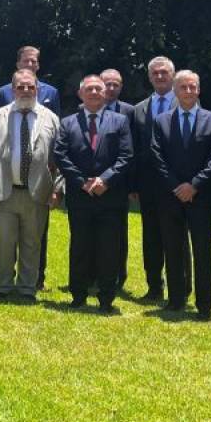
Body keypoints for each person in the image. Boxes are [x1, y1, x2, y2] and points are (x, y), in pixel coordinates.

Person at [0, 69, 61, 300]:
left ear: (37, 89)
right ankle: (3, 286)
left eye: (30, 87)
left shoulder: (50, 118)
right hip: (4, 191)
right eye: (20, 86)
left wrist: (57, 189)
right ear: (12, 89)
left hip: (37, 191)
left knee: (32, 243)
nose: (25, 91)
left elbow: (59, 158)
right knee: (3, 243)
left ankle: (27, 288)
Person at [54, 75, 133, 312]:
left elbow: (126, 155)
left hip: (110, 197)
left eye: (99, 89)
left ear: (105, 93)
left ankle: (106, 297)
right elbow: (60, 155)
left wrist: (105, 180)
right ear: (81, 94)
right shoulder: (67, 123)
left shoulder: (119, 121)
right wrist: (81, 182)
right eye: (90, 89)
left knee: (109, 248)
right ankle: (78, 295)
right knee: (80, 245)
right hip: (80, 197)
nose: (95, 93)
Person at [150, 69, 211, 320]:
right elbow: (157, 158)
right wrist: (176, 186)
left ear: (199, 90)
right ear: (175, 90)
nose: (189, 91)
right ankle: (176, 299)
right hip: (169, 197)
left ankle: (205, 305)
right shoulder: (161, 121)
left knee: (202, 251)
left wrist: (193, 185)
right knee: (173, 248)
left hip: (200, 197)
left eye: (193, 87)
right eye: (184, 87)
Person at [130, 56, 184, 302]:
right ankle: (154, 287)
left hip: (176, 184)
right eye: (155, 73)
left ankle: (181, 288)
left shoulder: (186, 103)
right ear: (150, 77)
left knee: (177, 238)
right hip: (147, 185)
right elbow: (134, 148)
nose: (160, 77)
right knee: (151, 237)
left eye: (164, 73)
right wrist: (133, 184)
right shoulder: (139, 109)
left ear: (172, 75)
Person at [101, 68, 136, 291]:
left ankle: (118, 276)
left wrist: (132, 184)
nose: (111, 88)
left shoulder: (130, 112)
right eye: (108, 83)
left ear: (121, 87)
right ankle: (93, 274)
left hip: (120, 182)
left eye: (116, 84)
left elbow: (133, 150)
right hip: (92, 181)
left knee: (118, 232)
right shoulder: (83, 109)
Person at [0, 45, 61, 115]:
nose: (29, 64)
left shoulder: (51, 92)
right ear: (18, 65)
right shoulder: (3, 92)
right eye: (26, 61)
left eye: (33, 61)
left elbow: (55, 122)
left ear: (38, 65)